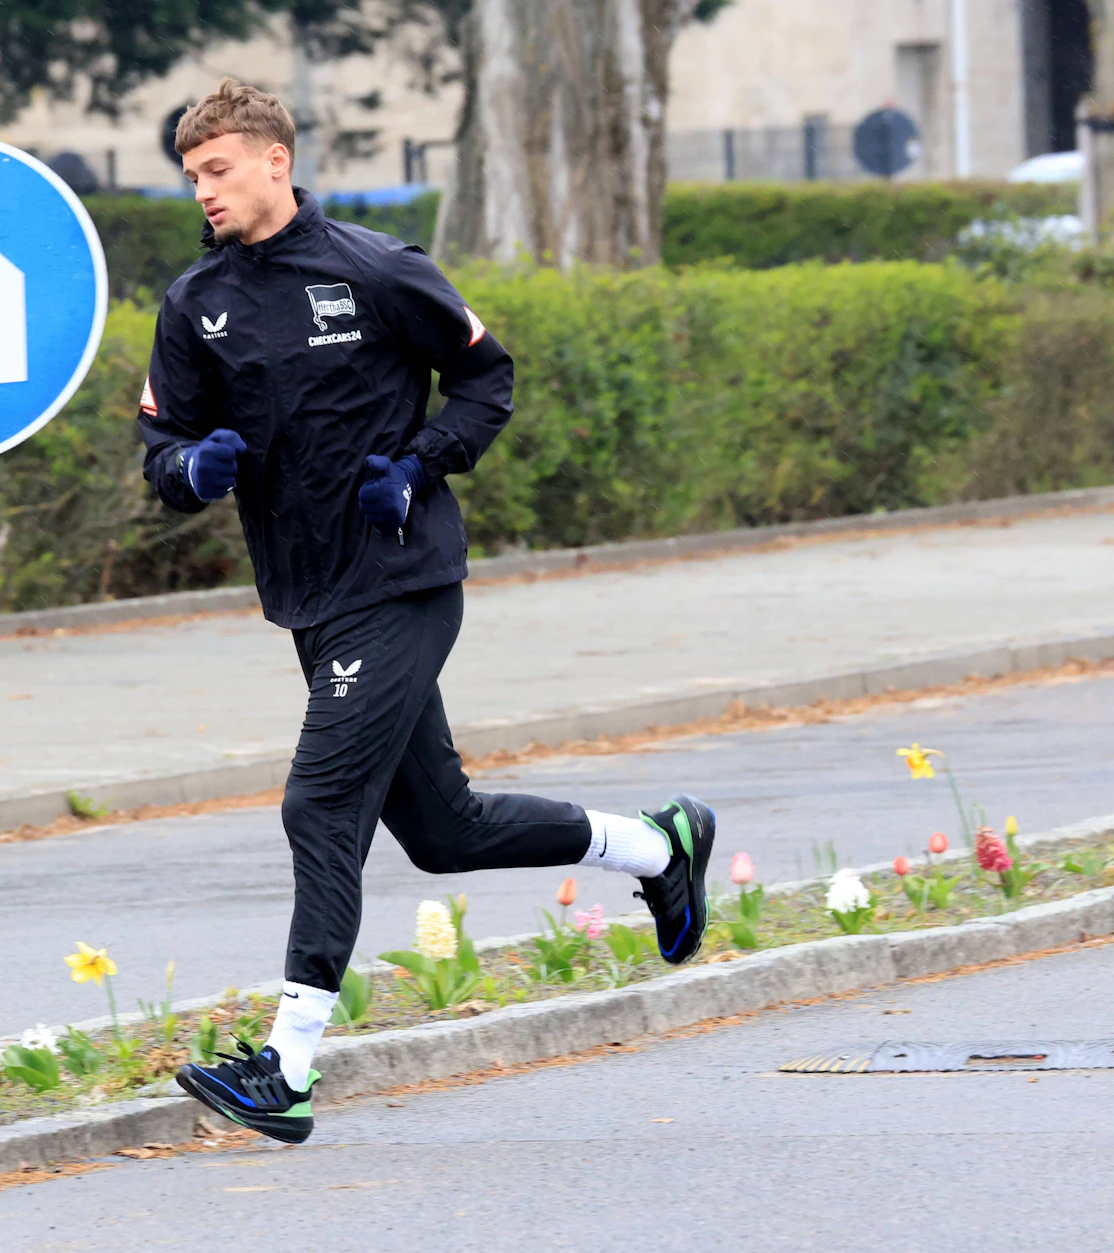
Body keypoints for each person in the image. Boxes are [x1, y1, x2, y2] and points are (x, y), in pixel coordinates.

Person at [139, 80, 716, 1145]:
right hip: (306, 598)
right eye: (190, 177)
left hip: (401, 580)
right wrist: (190, 463)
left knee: (319, 806)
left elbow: (486, 379)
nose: (202, 192)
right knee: (442, 831)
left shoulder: (375, 270)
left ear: (275, 159)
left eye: (216, 169)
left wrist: (419, 464)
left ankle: (285, 1067)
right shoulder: (194, 301)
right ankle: (656, 844)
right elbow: (158, 455)